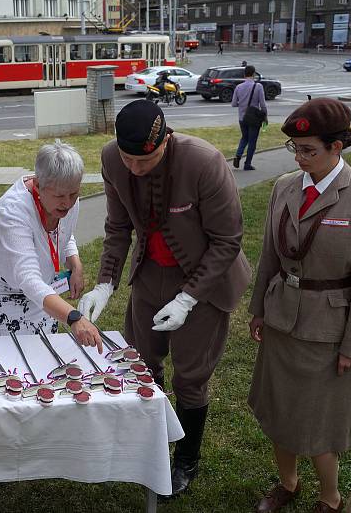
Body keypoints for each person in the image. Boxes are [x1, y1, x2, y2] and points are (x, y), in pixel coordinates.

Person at [78, 100, 251, 497]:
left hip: (204, 281)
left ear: (166, 140)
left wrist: (188, 298)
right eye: (128, 159)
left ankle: (186, 459)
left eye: (146, 160)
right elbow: (118, 226)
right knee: (140, 364)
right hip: (149, 274)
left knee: (190, 377)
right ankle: (146, 446)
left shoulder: (204, 162)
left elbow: (227, 241)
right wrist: (105, 282)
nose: (135, 169)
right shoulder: (111, 159)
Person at [248, 98, 351, 513]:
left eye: (309, 149)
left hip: (328, 331)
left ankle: (331, 497)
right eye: (295, 148)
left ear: (337, 147)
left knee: (319, 423)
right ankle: (287, 484)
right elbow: (270, 258)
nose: (300, 157)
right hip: (281, 321)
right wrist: (259, 308)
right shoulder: (284, 188)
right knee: (279, 412)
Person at [0, 140, 102, 352]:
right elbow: (27, 277)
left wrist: (76, 265)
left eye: (74, 194)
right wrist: (73, 317)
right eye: (60, 196)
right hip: (3, 289)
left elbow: (63, 234)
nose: (68, 203)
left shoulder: (65, 199)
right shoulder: (12, 212)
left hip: (41, 286)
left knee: (45, 345)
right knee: (18, 352)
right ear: (38, 185)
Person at [231, 65, 267, 171]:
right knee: (252, 141)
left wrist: (242, 104)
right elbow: (263, 104)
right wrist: (265, 116)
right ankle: (247, 164)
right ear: (254, 74)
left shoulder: (238, 87)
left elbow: (233, 104)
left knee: (244, 137)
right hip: (254, 118)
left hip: (242, 117)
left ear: (244, 74)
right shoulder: (258, 86)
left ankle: (238, 155)